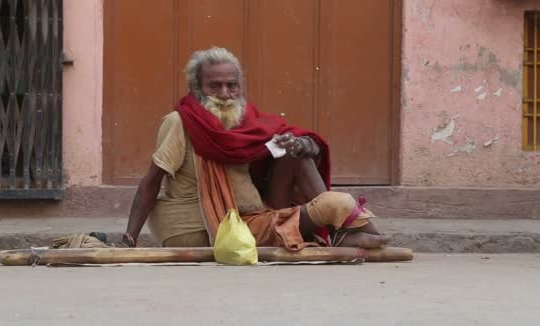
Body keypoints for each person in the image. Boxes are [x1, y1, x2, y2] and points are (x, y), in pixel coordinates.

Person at [123, 47, 389, 250]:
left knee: (294, 151)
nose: (225, 93)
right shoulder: (180, 122)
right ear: (197, 89)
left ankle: (339, 231)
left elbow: (286, 145)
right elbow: (151, 182)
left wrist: (300, 145)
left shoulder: (245, 119)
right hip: (204, 227)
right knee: (336, 202)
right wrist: (130, 238)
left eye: (232, 85)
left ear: (241, 87)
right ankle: (343, 228)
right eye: (215, 86)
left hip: (255, 216)